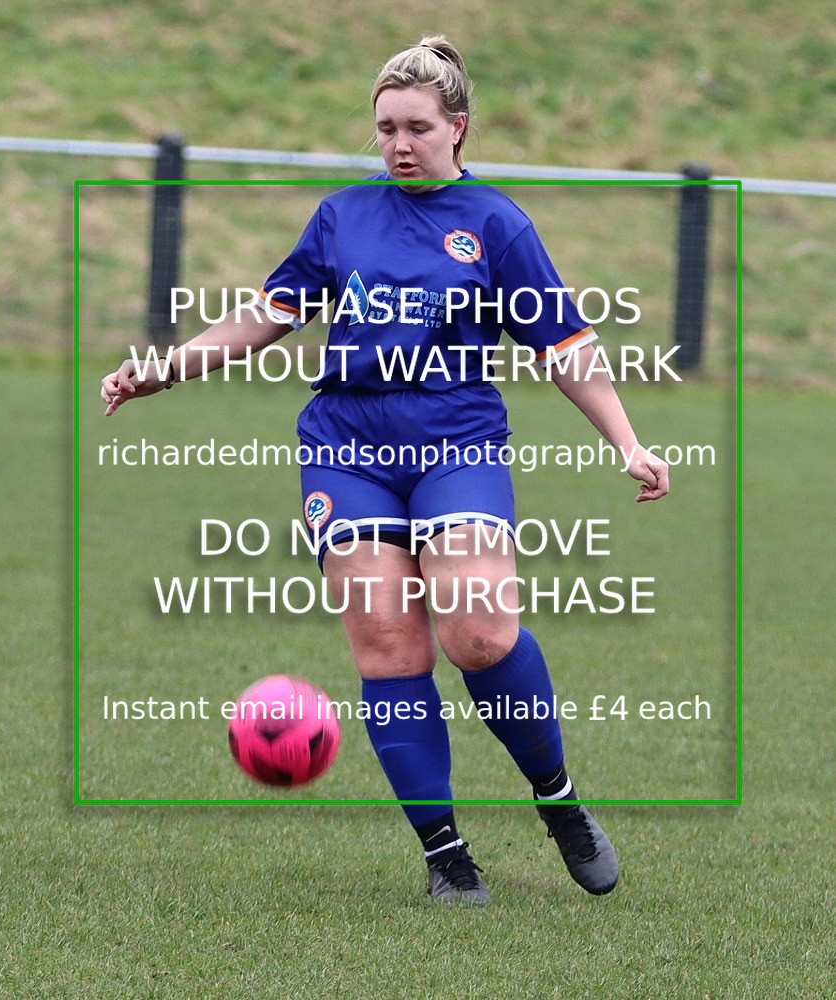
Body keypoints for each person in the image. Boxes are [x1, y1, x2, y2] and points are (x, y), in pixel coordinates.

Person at [101, 35, 669, 905]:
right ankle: (447, 855)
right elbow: (265, 317)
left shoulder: (497, 226)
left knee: (477, 634)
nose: (400, 144)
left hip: (456, 443)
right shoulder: (341, 217)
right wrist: (162, 367)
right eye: (385, 129)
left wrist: (627, 442)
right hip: (348, 446)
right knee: (389, 646)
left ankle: (559, 803)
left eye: (416, 127)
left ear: (458, 129)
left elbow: (566, 345)